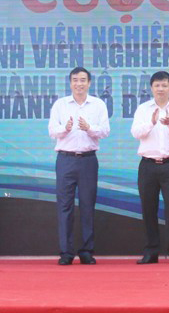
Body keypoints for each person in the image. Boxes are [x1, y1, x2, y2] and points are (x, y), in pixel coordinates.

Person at [48, 67, 110, 265]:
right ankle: (66, 253)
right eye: (75, 80)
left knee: (87, 205)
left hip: (88, 160)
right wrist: (64, 129)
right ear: (70, 83)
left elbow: (105, 131)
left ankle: (86, 251)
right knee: (64, 206)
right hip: (65, 160)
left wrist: (89, 128)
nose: (79, 84)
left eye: (83, 80)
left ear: (89, 83)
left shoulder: (98, 105)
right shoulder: (60, 104)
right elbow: (52, 131)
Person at [131, 71, 169, 265]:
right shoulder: (143, 109)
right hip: (148, 165)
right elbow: (136, 133)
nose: (160, 89)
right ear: (151, 88)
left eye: (164, 85)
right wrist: (152, 122)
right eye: (157, 85)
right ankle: (151, 251)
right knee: (148, 209)